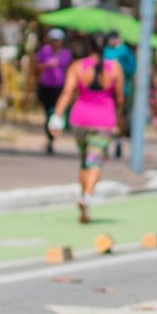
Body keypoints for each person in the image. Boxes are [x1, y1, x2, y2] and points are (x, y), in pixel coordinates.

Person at [49, 33, 124, 223]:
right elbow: (120, 98)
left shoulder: (77, 67)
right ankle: (87, 196)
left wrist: (57, 116)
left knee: (84, 162)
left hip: (79, 119)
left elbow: (67, 92)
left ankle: (84, 207)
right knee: (95, 162)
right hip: (103, 120)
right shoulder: (114, 68)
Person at [36, 29, 72, 155]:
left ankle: (51, 139)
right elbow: (37, 66)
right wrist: (47, 65)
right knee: (48, 113)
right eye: (53, 40)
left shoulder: (66, 53)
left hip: (59, 87)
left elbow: (69, 69)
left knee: (54, 112)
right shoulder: (45, 51)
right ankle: (49, 138)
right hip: (45, 86)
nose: (55, 43)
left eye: (57, 40)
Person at [103, 30, 136, 158]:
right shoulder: (105, 50)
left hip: (123, 89)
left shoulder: (125, 51)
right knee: (106, 116)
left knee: (120, 116)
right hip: (106, 90)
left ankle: (118, 141)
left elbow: (132, 68)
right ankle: (105, 142)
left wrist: (119, 68)